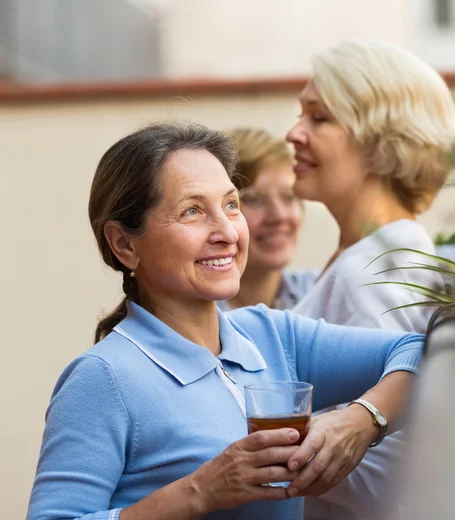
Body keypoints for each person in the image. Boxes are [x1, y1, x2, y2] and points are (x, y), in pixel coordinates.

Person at [26, 122, 424, 520]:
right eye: (193, 211)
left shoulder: (272, 335)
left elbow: (425, 349)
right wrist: (199, 491)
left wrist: (362, 420)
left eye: (231, 205)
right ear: (125, 244)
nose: (227, 232)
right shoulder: (103, 378)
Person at [285, 40, 455, 519]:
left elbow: (393, 468)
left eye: (319, 119)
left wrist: (247, 439)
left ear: (380, 141)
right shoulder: (364, 255)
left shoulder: (377, 265)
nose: (293, 133)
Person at [218, 127, 318, 312]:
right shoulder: (189, 317)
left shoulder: (322, 294)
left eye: (288, 197)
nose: (279, 216)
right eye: (254, 200)